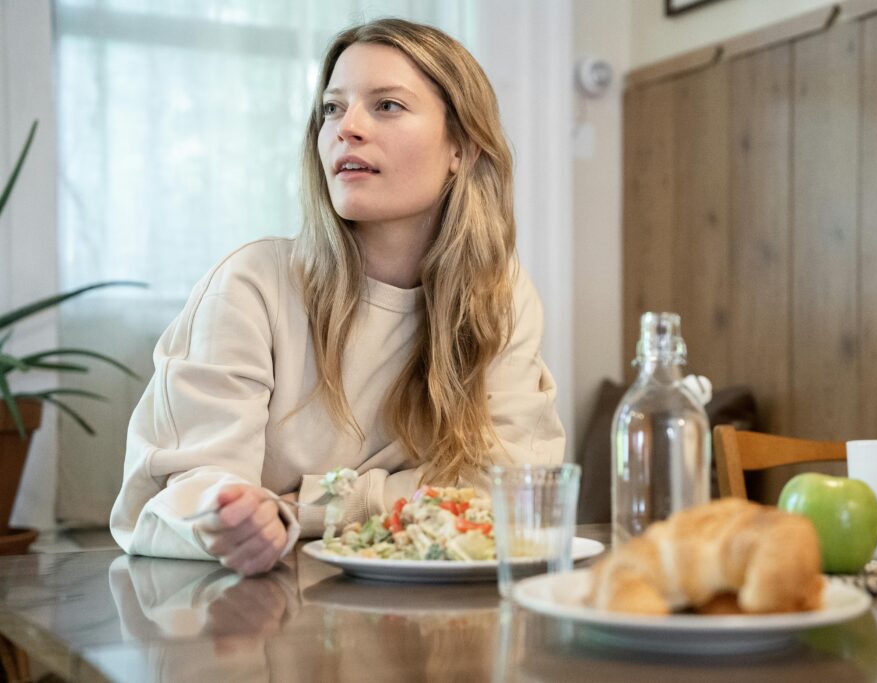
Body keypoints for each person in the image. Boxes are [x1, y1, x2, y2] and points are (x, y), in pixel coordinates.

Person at [110, 18, 565, 576]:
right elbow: (186, 492)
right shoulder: (251, 284)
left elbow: (508, 487)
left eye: (387, 106)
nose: (346, 128)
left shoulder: (499, 295)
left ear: (462, 149)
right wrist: (230, 516)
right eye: (332, 108)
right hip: (259, 612)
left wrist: (305, 506)